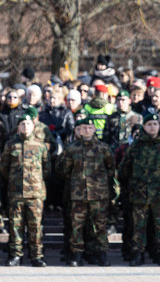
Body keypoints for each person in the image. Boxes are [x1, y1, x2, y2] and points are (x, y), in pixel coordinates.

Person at [119, 114, 160, 266]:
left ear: (159, 126)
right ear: (144, 127)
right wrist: (131, 186)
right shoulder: (136, 146)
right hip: (139, 194)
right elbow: (124, 169)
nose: (152, 127)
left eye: (155, 124)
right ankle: (138, 253)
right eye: (149, 124)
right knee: (138, 225)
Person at [58, 118, 116, 267]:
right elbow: (63, 170)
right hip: (78, 195)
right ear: (79, 130)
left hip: (98, 195)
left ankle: (101, 254)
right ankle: (77, 255)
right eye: (84, 128)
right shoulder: (71, 149)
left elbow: (111, 169)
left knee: (100, 226)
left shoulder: (103, 148)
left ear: (94, 129)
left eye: (90, 128)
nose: (87, 131)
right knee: (77, 226)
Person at [1, 113, 50, 267]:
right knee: (16, 225)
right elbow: (4, 168)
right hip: (16, 192)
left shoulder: (40, 145)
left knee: (35, 226)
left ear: (33, 126)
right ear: (18, 127)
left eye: (28, 124)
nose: (25, 127)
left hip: (35, 193)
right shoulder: (11, 145)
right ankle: (16, 255)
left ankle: (37, 256)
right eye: (22, 124)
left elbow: (46, 169)